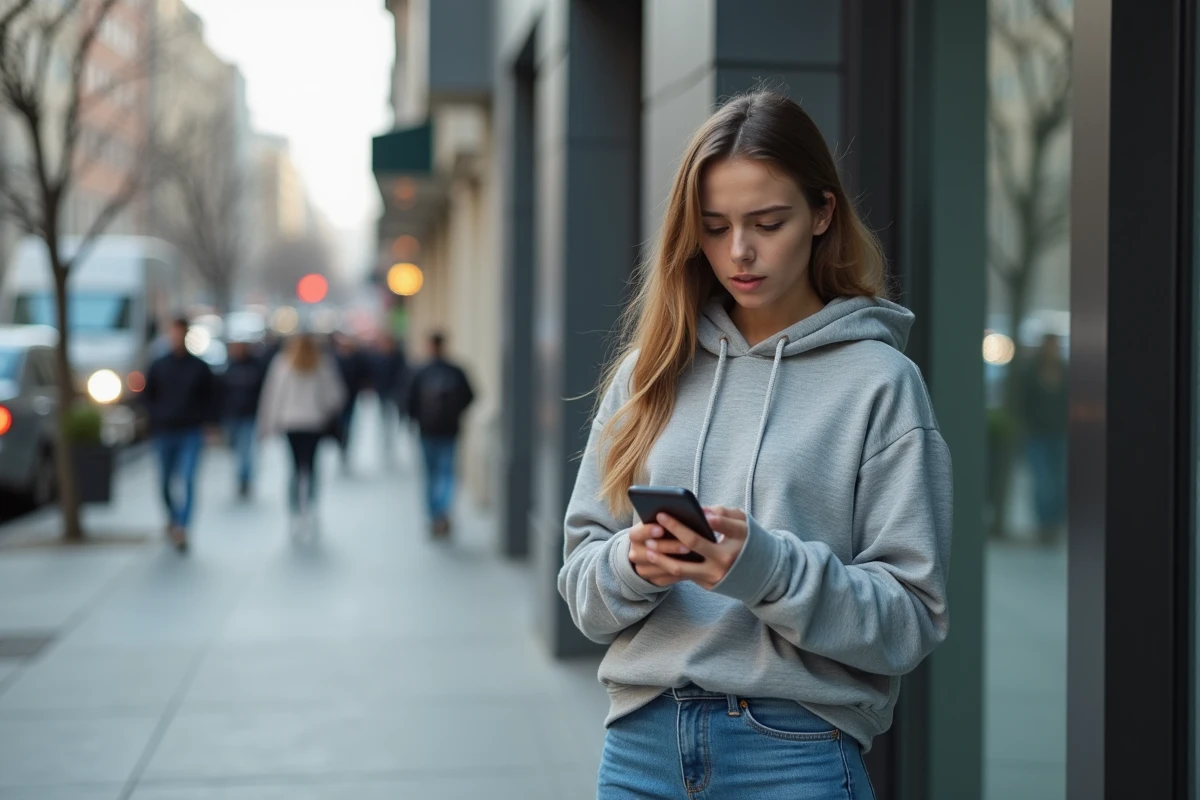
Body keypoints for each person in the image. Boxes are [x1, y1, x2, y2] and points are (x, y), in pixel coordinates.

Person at [558, 91, 953, 799]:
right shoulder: (647, 372)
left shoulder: (880, 382)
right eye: (714, 227)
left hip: (793, 753)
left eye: (768, 222)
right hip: (641, 747)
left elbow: (910, 620)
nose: (738, 252)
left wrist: (766, 568)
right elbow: (583, 593)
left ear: (822, 214)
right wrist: (633, 563)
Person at [256, 333, 346, 538]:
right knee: (312, 467)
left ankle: (295, 511)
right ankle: (311, 507)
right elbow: (336, 395)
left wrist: (267, 426)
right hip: (313, 422)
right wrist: (321, 409)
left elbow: (272, 396)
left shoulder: (282, 363)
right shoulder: (321, 363)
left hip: (291, 423)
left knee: (295, 468)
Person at [142, 316, 219, 552]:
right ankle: (173, 517)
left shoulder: (198, 366)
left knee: (187, 480)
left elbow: (211, 397)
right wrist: (154, 418)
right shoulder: (159, 365)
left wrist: (210, 424)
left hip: (190, 431)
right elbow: (146, 396)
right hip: (165, 431)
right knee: (165, 481)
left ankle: (181, 527)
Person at [406, 332, 474, 537]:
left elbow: (409, 401)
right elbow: (470, 396)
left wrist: (416, 419)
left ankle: (434, 514)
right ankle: (442, 511)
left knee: (430, 475)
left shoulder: (420, 371)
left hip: (427, 431)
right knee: (446, 474)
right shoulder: (455, 370)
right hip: (449, 430)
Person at [1020, 332, 1068, 543]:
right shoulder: (1032, 371)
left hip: (1060, 433)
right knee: (1042, 481)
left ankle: (1054, 526)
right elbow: (1024, 402)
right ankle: (1043, 526)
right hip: (1037, 434)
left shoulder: (1066, 371)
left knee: (1058, 481)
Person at [221, 340, 266, 499]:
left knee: (245, 449)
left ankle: (244, 479)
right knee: (236, 449)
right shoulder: (229, 367)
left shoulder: (255, 366)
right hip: (232, 416)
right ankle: (242, 477)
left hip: (249, 415)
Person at [369, 333, 410, 463]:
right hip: (382, 392)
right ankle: (385, 443)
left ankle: (390, 442)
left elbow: (403, 376)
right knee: (384, 418)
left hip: (395, 393)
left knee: (392, 419)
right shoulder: (377, 358)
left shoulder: (398, 358)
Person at [332, 332, 368, 471]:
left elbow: (362, 375)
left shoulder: (356, 359)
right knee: (341, 425)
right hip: (337, 400)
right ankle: (340, 444)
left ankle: (344, 447)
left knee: (348, 424)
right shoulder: (334, 359)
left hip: (351, 398)